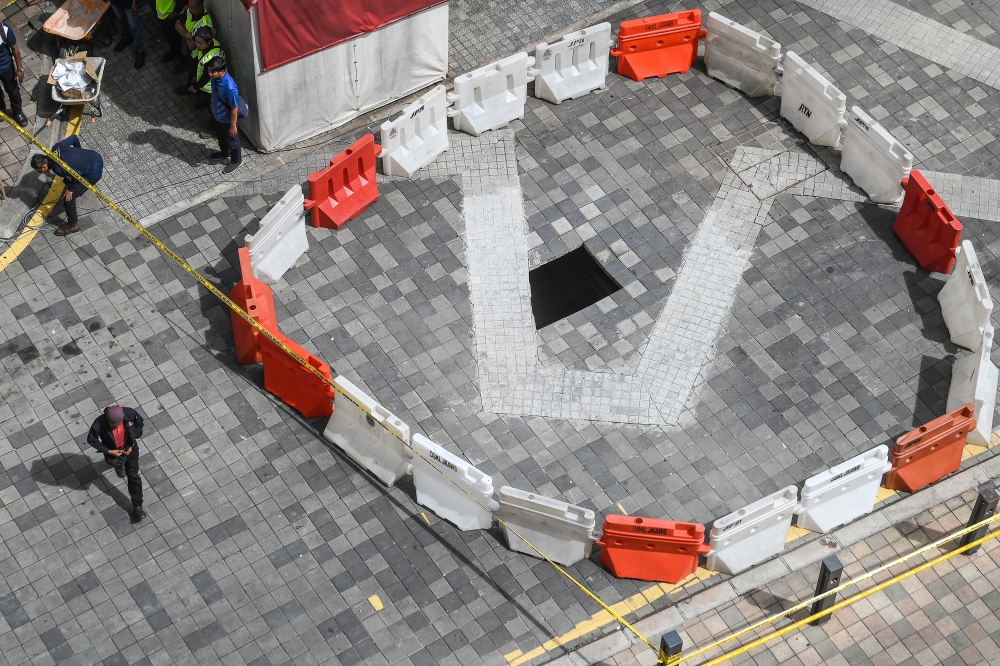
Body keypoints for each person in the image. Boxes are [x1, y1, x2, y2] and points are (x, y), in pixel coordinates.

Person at [30, 135, 104, 236]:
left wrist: (71, 189)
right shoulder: (56, 148)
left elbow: (76, 174)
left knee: (68, 199)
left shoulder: (57, 169)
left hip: (93, 173)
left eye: (40, 171)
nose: (41, 173)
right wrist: (78, 153)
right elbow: (74, 138)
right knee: (67, 180)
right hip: (96, 157)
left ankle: (73, 225)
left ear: (44, 166)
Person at [86, 405, 145, 523]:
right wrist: (109, 451)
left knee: (133, 476)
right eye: (115, 426)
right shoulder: (99, 423)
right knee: (116, 463)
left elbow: (139, 423)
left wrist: (132, 443)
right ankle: (118, 466)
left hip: (130, 448)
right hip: (113, 450)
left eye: (120, 424)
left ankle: (137, 506)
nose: (118, 427)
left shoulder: (129, 413)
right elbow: (92, 439)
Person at [207, 56, 242, 174]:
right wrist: (212, 103)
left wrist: (233, 125)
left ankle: (237, 160)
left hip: (228, 120)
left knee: (233, 140)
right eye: (209, 71)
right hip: (217, 115)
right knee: (221, 136)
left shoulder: (230, 87)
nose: (210, 74)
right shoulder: (214, 79)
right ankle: (224, 152)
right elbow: (213, 92)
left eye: (212, 71)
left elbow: (234, 107)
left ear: (221, 71)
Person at [175, 27, 221, 110]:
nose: (197, 45)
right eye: (196, 41)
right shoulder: (213, 44)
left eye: (200, 43)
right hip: (204, 80)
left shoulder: (211, 58)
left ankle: (202, 105)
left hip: (209, 86)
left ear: (209, 42)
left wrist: (195, 87)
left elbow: (206, 77)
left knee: (204, 98)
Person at [0, 19, 28, 126]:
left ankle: (18, 112)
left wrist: (20, 69)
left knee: (13, 92)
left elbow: (14, 48)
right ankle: (1, 110)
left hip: (6, 68)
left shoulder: (4, 29)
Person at [103, 0, 145, 69]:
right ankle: (127, 37)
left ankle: (140, 50)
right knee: (121, 18)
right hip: (114, 2)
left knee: (134, 26)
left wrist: (134, 3)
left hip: (128, 3)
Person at [174, 0, 212, 75]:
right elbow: (177, 25)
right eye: (189, 6)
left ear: (201, 7)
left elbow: (192, 46)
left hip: (197, 56)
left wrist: (183, 30)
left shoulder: (204, 24)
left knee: (192, 73)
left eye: (193, 7)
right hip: (189, 50)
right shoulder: (190, 11)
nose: (190, 9)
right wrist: (189, 36)